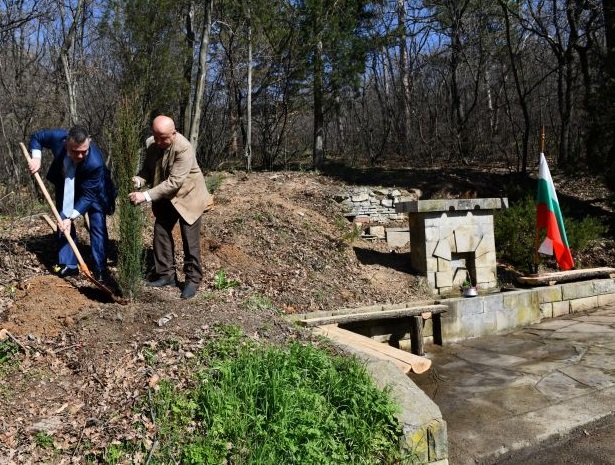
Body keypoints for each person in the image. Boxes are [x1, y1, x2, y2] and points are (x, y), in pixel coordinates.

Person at [128, 115, 213, 299]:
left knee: (189, 239)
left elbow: (174, 182)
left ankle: (192, 280)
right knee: (161, 232)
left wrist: (145, 196)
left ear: (174, 133)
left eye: (163, 138)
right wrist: (138, 181)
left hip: (188, 197)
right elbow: (147, 171)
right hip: (166, 197)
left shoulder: (183, 148)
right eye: (155, 136)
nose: (158, 141)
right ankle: (166, 275)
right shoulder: (152, 144)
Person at [28, 126, 116, 282]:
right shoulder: (57, 137)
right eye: (76, 151)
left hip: (94, 189)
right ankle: (69, 265)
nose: (81, 155)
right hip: (66, 182)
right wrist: (36, 157)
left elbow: (88, 196)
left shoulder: (95, 162)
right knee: (62, 219)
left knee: (97, 223)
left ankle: (100, 268)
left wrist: (72, 216)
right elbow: (37, 137)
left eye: (84, 151)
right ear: (66, 143)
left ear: (89, 142)